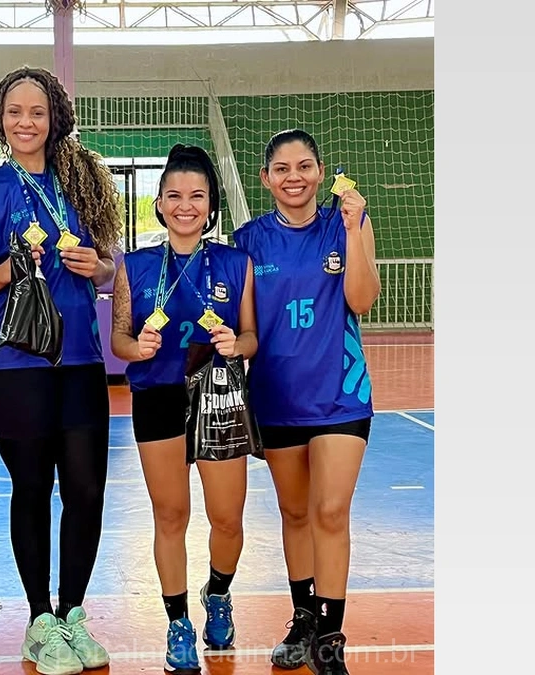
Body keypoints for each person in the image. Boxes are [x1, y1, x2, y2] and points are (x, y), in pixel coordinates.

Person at [0, 67, 122, 675]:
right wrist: (14, 267)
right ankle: (39, 621)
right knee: (32, 486)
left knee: (85, 489)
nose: (25, 122)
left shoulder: (82, 183)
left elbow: (110, 271)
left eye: (37, 110)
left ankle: (73, 613)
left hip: (81, 356)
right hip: (13, 361)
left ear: (55, 117)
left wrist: (96, 268)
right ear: (0, 120)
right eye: (14, 111)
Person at [232, 129, 381, 675]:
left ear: (320, 173)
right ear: (267, 178)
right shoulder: (249, 240)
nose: (294, 177)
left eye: (304, 166)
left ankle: (330, 640)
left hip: (342, 396)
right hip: (275, 399)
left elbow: (362, 298)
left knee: (330, 510)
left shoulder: (348, 223)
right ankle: (303, 619)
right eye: (282, 168)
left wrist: (353, 230)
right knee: (295, 513)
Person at [109, 144, 257, 674]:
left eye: (197, 195)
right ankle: (177, 624)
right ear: (159, 204)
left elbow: (251, 337)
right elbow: (121, 340)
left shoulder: (236, 263)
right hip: (156, 398)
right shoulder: (136, 266)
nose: (185, 205)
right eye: (174, 195)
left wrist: (237, 346)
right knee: (170, 515)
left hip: (219, 396)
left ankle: (218, 594)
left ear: (211, 202)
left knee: (228, 518)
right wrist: (136, 350)